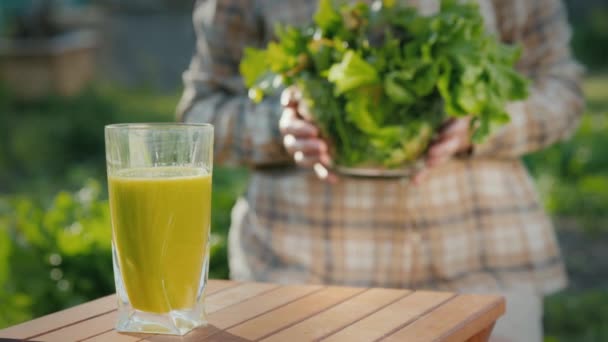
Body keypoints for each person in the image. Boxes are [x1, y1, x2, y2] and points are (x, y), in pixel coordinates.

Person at [177, 0, 584, 340]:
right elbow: (200, 109)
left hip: (478, 260)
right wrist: (278, 128)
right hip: (299, 270)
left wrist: (480, 121)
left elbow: (561, 91)